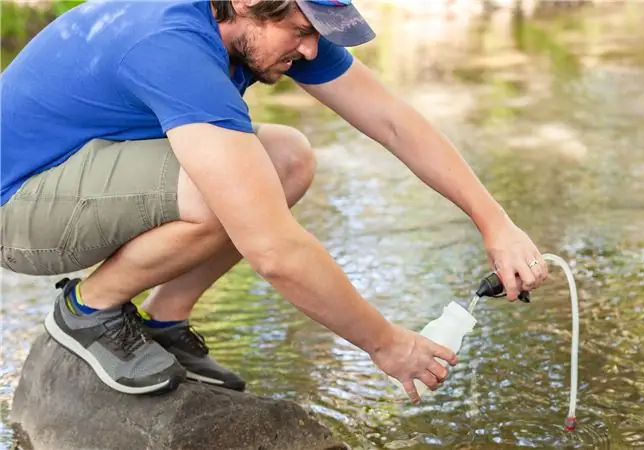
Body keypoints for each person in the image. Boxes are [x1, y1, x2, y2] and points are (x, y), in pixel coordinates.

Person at [0, 0, 549, 401]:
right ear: (245, 4)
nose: (311, 49)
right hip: (20, 210)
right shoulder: (172, 45)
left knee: (287, 157)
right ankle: (88, 311)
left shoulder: (259, 26)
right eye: (301, 30)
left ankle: (164, 321)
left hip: (78, 176)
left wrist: (493, 221)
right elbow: (273, 252)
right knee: (233, 195)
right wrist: (384, 344)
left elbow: (393, 122)